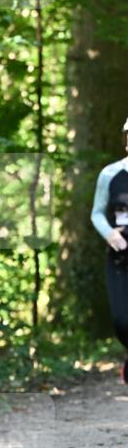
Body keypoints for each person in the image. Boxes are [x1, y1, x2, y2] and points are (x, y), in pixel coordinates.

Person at [90, 117, 128, 383]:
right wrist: (110, 234)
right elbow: (97, 214)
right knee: (122, 320)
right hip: (121, 254)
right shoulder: (110, 174)